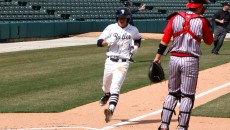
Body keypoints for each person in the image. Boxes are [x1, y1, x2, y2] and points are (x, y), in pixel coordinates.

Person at [152, 0, 213, 130]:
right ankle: (182, 127)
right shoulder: (202, 21)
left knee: (172, 93)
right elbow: (209, 41)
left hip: (174, 59)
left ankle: (163, 126)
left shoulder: (175, 17)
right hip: (190, 60)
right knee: (187, 95)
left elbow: (165, 39)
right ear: (200, 5)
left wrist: (157, 57)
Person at [97, 7, 142, 123]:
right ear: (117, 18)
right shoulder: (110, 28)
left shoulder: (133, 29)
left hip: (123, 63)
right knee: (106, 86)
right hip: (110, 61)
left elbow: (138, 39)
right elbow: (99, 43)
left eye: (124, 18)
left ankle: (110, 110)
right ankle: (107, 94)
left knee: (115, 87)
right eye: (120, 17)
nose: (122, 20)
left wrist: (136, 47)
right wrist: (108, 41)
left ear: (128, 18)